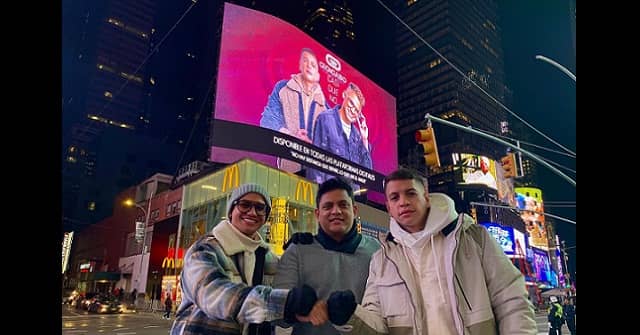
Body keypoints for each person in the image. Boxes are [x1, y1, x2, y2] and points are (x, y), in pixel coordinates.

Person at [320, 168, 537, 334]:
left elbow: (512, 301)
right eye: (395, 197)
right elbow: (377, 325)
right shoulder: (381, 260)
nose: (403, 202)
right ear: (388, 207)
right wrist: (351, 314)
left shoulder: (472, 238)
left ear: (426, 196)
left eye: (411, 193)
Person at [170, 183, 322, 335]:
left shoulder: (267, 257)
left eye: (260, 207)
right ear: (231, 211)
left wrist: (303, 252)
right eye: (244, 205)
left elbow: (296, 289)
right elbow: (215, 296)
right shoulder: (204, 249)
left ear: (266, 216)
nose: (252, 212)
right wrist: (284, 303)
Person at [273, 177, 380, 335]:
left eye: (343, 205)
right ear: (317, 213)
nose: (336, 211)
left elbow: (385, 314)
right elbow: (275, 312)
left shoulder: (377, 251)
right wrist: (293, 304)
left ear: (354, 210)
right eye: (328, 206)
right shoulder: (297, 250)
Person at [260, 48, 330, 172]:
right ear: (300, 65)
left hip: (316, 173)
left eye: (313, 64)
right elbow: (267, 121)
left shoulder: (325, 106)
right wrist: (291, 136)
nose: (308, 65)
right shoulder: (283, 88)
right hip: (290, 168)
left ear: (318, 73)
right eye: (305, 61)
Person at [307, 83, 371, 185]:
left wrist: (364, 140)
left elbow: (367, 175)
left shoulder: (358, 136)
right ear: (344, 95)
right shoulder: (325, 119)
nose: (353, 110)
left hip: (351, 197)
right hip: (331, 192)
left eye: (357, 110)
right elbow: (316, 161)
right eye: (351, 103)